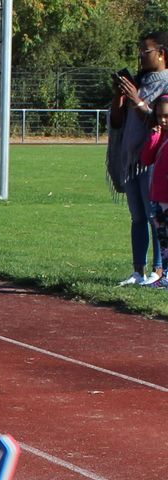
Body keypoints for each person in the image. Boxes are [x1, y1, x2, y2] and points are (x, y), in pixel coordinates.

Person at [109, 31, 168, 286]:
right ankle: (137, 271)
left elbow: (160, 120)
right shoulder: (140, 83)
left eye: (146, 51)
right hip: (131, 160)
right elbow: (117, 121)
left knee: (155, 218)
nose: (141, 56)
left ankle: (159, 270)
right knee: (137, 217)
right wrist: (120, 96)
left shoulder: (165, 84)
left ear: (162, 54)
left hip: (154, 159)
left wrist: (136, 99)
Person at [140, 93, 168, 288]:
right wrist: (154, 137)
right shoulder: (160, 135)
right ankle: (165, 274)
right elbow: (146, 158)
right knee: (164, 239)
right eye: (159, 116)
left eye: (166, 116)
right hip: (157, 196)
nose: (163, 120)